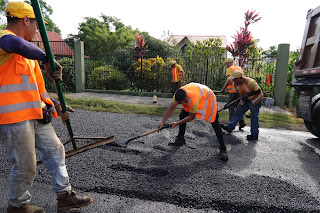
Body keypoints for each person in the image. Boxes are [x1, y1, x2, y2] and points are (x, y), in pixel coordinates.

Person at [0, 2, 93, 213]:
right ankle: (18, 205)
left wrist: (55, 104)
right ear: (26, 20)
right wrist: (47, 58)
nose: (37, 31)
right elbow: (14, 44)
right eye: (36, 25)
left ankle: (65, 196)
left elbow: (39, 91)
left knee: (55, 151)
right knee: (25, 166)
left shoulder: (30, 56)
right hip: (14, 119)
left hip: (37, 115)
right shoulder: (5, 39)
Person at [158, 82, 228, 161]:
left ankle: (223, 148)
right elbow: (171, 108)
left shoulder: (193, 100)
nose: (179, 104)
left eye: (180, 103)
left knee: (215, 123)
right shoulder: (178, 94)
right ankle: (180, 139)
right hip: (197, 92)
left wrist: (177, 123)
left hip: (208, 98)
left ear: (186, 99)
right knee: (182, 116)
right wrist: (162, 122)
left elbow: (191, 117)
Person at [220, 71, 263, 141]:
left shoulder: (250, 82)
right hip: (245, 100)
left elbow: (258, 91)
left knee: (254, 116)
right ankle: (229, 127)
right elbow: (235, 95)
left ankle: (254, 134)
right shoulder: (235, 84)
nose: (233, 81)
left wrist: (248, 95)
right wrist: (228, 104)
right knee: (237, 113)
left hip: (255, 101)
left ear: (240, 78)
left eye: (234, 79)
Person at [221, 58, 246, 130]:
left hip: (233, 91)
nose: (226, 65)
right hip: (240, 90)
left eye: (227, 63)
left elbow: (229, 80)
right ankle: (241, 121)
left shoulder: (229, 69)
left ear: (229, 63)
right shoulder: (239, 68)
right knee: (238, 107)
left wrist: (224, 88)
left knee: (231, 106)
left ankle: (231, 124)